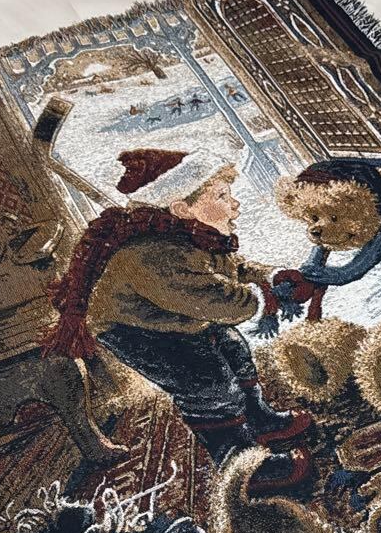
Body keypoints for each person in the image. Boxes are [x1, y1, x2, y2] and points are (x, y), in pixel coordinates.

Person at [41, 148, 312, 494]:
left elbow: (231, 269)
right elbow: (212, 299)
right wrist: (265, 300)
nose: (235, 205)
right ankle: (241, 465)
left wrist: (270, 277)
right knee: (206, 382)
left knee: (233, 347)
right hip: (134, 329)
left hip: (174, 315)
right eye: (221, 196)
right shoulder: (154, 254)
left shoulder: (193, 235)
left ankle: (259, 419)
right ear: (182, 208)